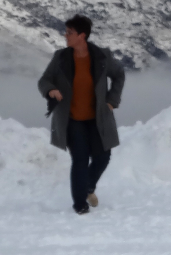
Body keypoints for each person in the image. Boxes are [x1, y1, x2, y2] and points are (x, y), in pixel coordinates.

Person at [38, 14, 126, 215]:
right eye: (66, 32)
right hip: (72, 120)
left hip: (98, 118)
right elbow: (44, 80)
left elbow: (119, 74)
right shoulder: (61, 57)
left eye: (69, 32)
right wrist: (51, 89)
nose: (65, 35)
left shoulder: (101, 56)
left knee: (103, 156)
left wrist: (112, 100)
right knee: (80, 159)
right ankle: (80, 203)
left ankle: (87, 187)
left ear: (82, 35)